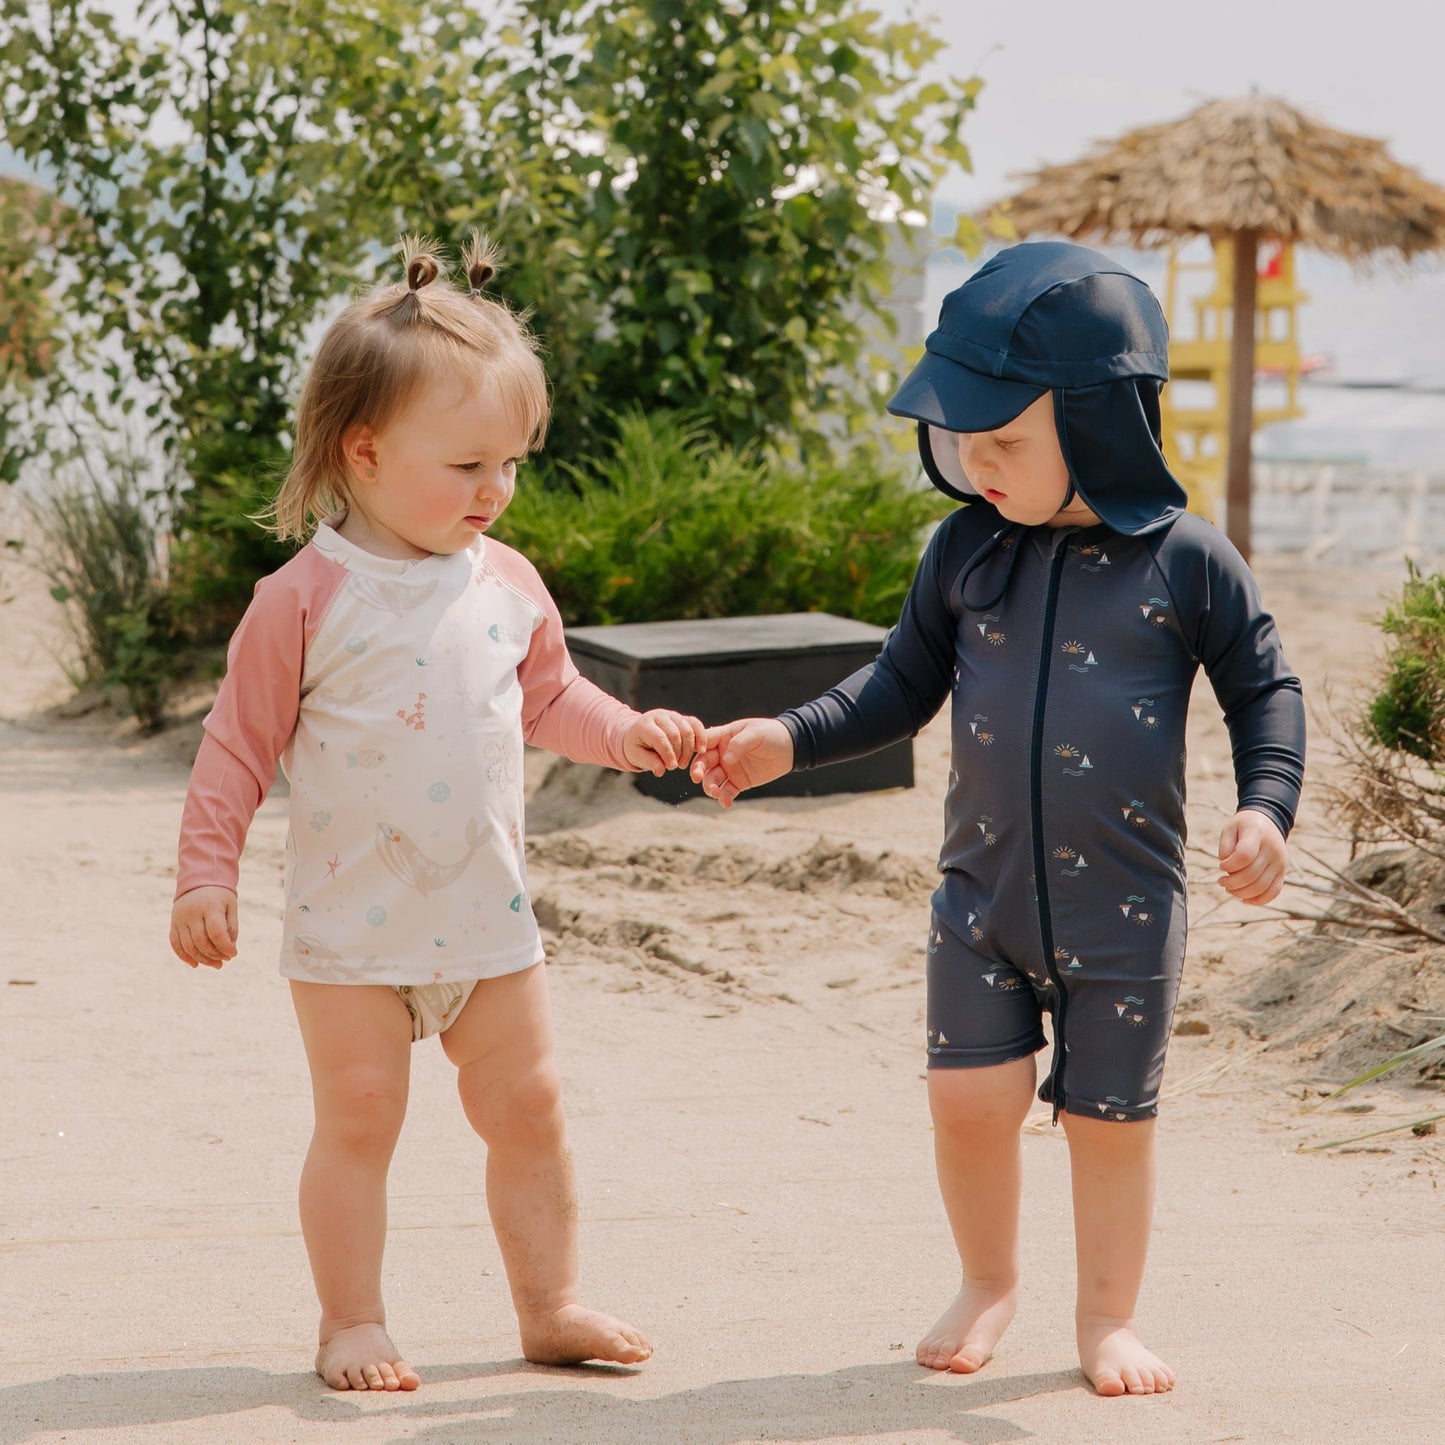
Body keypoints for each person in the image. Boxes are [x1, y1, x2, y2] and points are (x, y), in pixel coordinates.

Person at [691, 242, 1305, 1397]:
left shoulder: (1184, 561)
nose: (973, 461)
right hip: (978, 898)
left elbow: (1264, 688)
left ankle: (1105, 1316)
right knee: (967, 1096)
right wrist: (786, 736)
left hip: (1122, 910)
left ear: (1101, 424)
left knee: (1105, 1122)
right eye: (959, 437)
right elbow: (893, 685)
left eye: (1004, 441)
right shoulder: (963, 547)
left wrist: (1264, 806)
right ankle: (986, 1277)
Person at [169, 234, 703, 1392]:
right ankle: (350, 1320)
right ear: (363, 450)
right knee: (360, 1114)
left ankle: (548, 1301)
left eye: (510, 463)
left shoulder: (504, 579)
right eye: (467, 464)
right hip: (352, 929)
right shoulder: (302, 598)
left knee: (531, 1105)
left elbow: (549, 693)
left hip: (483, 913)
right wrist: (204, 871)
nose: (494, 489)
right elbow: (236, 746)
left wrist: (624, 732)